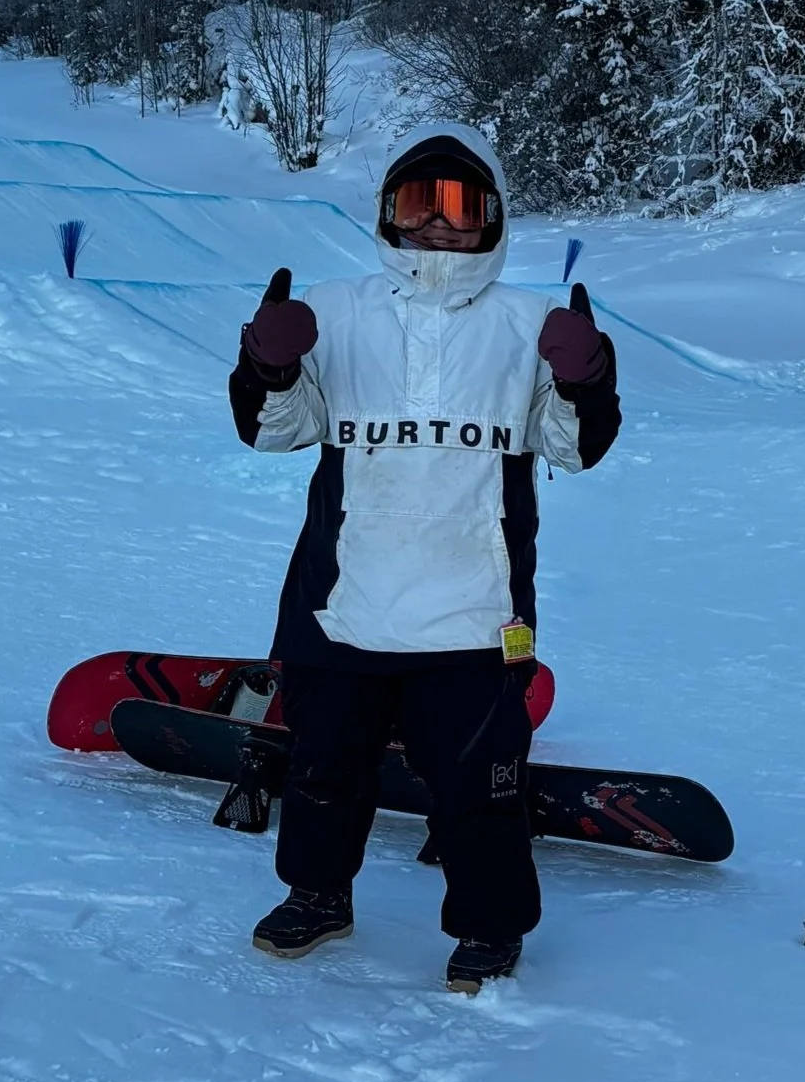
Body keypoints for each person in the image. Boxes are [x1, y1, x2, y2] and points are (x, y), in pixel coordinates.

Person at [227, 123, 621, 991]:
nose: (438, 225)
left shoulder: (528, 325)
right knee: (324, 769)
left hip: (476, 615)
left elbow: (572, 446)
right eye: (418, 203)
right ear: (388, 215)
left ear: (494, 218)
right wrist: (270, 365)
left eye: (461, 205)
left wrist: (588, 380)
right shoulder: (335, 311)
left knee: (482, 787)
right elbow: (272, 432)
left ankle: (491, 927)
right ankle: (317, 893)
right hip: (342, 604)